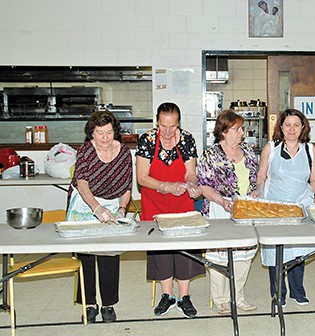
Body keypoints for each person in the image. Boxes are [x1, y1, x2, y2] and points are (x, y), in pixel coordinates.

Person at [136, 102, 204, 318]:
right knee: (161, 251)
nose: (167, 132)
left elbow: (190, 172)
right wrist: (164, 186)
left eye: (172, 126)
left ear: (178, 124)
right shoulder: (147, 140)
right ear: (157, 121)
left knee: (184, 249)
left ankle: (184, 297)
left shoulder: (186, 139)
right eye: (163, 126)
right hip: (154, 204)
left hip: (181, 204)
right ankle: (167, 295)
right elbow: (142, 177)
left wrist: (192, 184)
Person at [66, 110, 133, 323]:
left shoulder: (123, 152)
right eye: (99, 133)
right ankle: (89, 304)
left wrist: (122, 210)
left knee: (109, 254)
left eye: (109, 132)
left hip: (112, 203)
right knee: (86, 255)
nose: (105, 138)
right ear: (91, 134)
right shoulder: (85, 151)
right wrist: (96, 208)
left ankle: (108, 305)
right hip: (86, 203)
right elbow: (82, 183)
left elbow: (126, 186)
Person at [198, 109, 259, 315]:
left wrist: (257, 191)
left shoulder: (249, 151)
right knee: (218, 256)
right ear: (224, 131)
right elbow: (203, 186)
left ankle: (238, 296)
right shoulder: (211, 154)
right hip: (219, 208)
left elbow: (257, 179)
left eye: (241, 128)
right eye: (237, 129)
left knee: (244, 254)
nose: (241, 133)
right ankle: (221, 300)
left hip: (245, 209)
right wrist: (221, 200)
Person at [256, 109, 315, 307]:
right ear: (281, 127)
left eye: (296, 125)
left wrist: (310, 194)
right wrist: (258, 191)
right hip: (275, 206)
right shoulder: (271, 148)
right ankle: (278, 294)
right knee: (276, 251)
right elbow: (261, 176)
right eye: (287, 125)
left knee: (298, 250)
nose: (292, 129)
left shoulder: (309, 149)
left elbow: (314, 179)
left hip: (300, 206)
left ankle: (297, 292)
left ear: (303, 128)